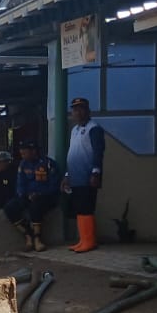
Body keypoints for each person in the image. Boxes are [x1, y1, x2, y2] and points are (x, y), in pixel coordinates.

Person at [61, 96, 106, 253]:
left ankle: (90, 241)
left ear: (88, 111)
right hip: (75, 176)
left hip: (88, 176)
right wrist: (67, 175)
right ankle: (83, 240)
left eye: (80, 109)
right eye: (74, 109)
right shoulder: (74, 130)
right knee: (79, 209)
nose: (77, 112)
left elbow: (98, 152)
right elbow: (72, 153)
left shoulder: (94, 128)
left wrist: (96, 172)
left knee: (86, 208)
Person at [3, 139, 61, 252]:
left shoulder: (48, 163)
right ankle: (28, 235)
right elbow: (20, 184)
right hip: (27, 196)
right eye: (21, 153)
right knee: (10, 207)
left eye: (24, 152)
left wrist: (39, 194)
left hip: (46, 197)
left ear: (33, 151)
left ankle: (37, 239)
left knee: (35, 208)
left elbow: (54, 185)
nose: (22, 155)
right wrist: (24, 195)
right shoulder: (23, 164)